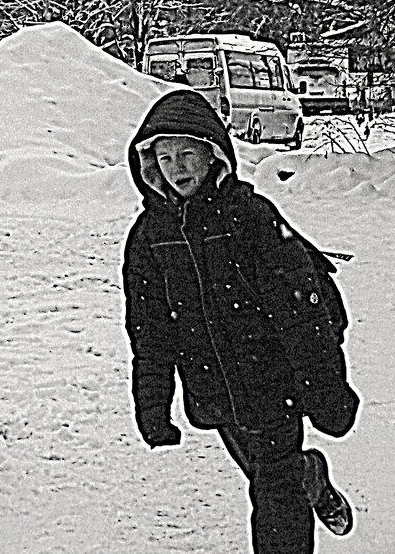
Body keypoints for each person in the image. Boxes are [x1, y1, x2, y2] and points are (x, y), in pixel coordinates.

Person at [122, 89, 360, 554]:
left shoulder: (249, 218)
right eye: (165, 157)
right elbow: (150, 331)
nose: (178, 168)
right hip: (213, 388)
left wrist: (325, 389)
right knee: (268, 472)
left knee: (274, 495)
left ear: (213, 154)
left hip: (274, 380)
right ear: (150, 166)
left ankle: (298, 482)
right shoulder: (149, 237)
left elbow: (303, 314)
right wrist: (153, 403)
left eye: (188, 153)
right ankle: (308, 474)